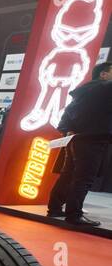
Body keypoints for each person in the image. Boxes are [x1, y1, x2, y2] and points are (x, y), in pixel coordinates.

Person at [47, 61, 112, 226]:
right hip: (93, 139)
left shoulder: (83, 92)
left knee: (68, 175)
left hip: (75, 139)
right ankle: (74, 215)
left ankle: (55, 208)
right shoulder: (104, 89)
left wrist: (67, 131)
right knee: (84, 178)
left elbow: (66, 114)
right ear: (103, 74)